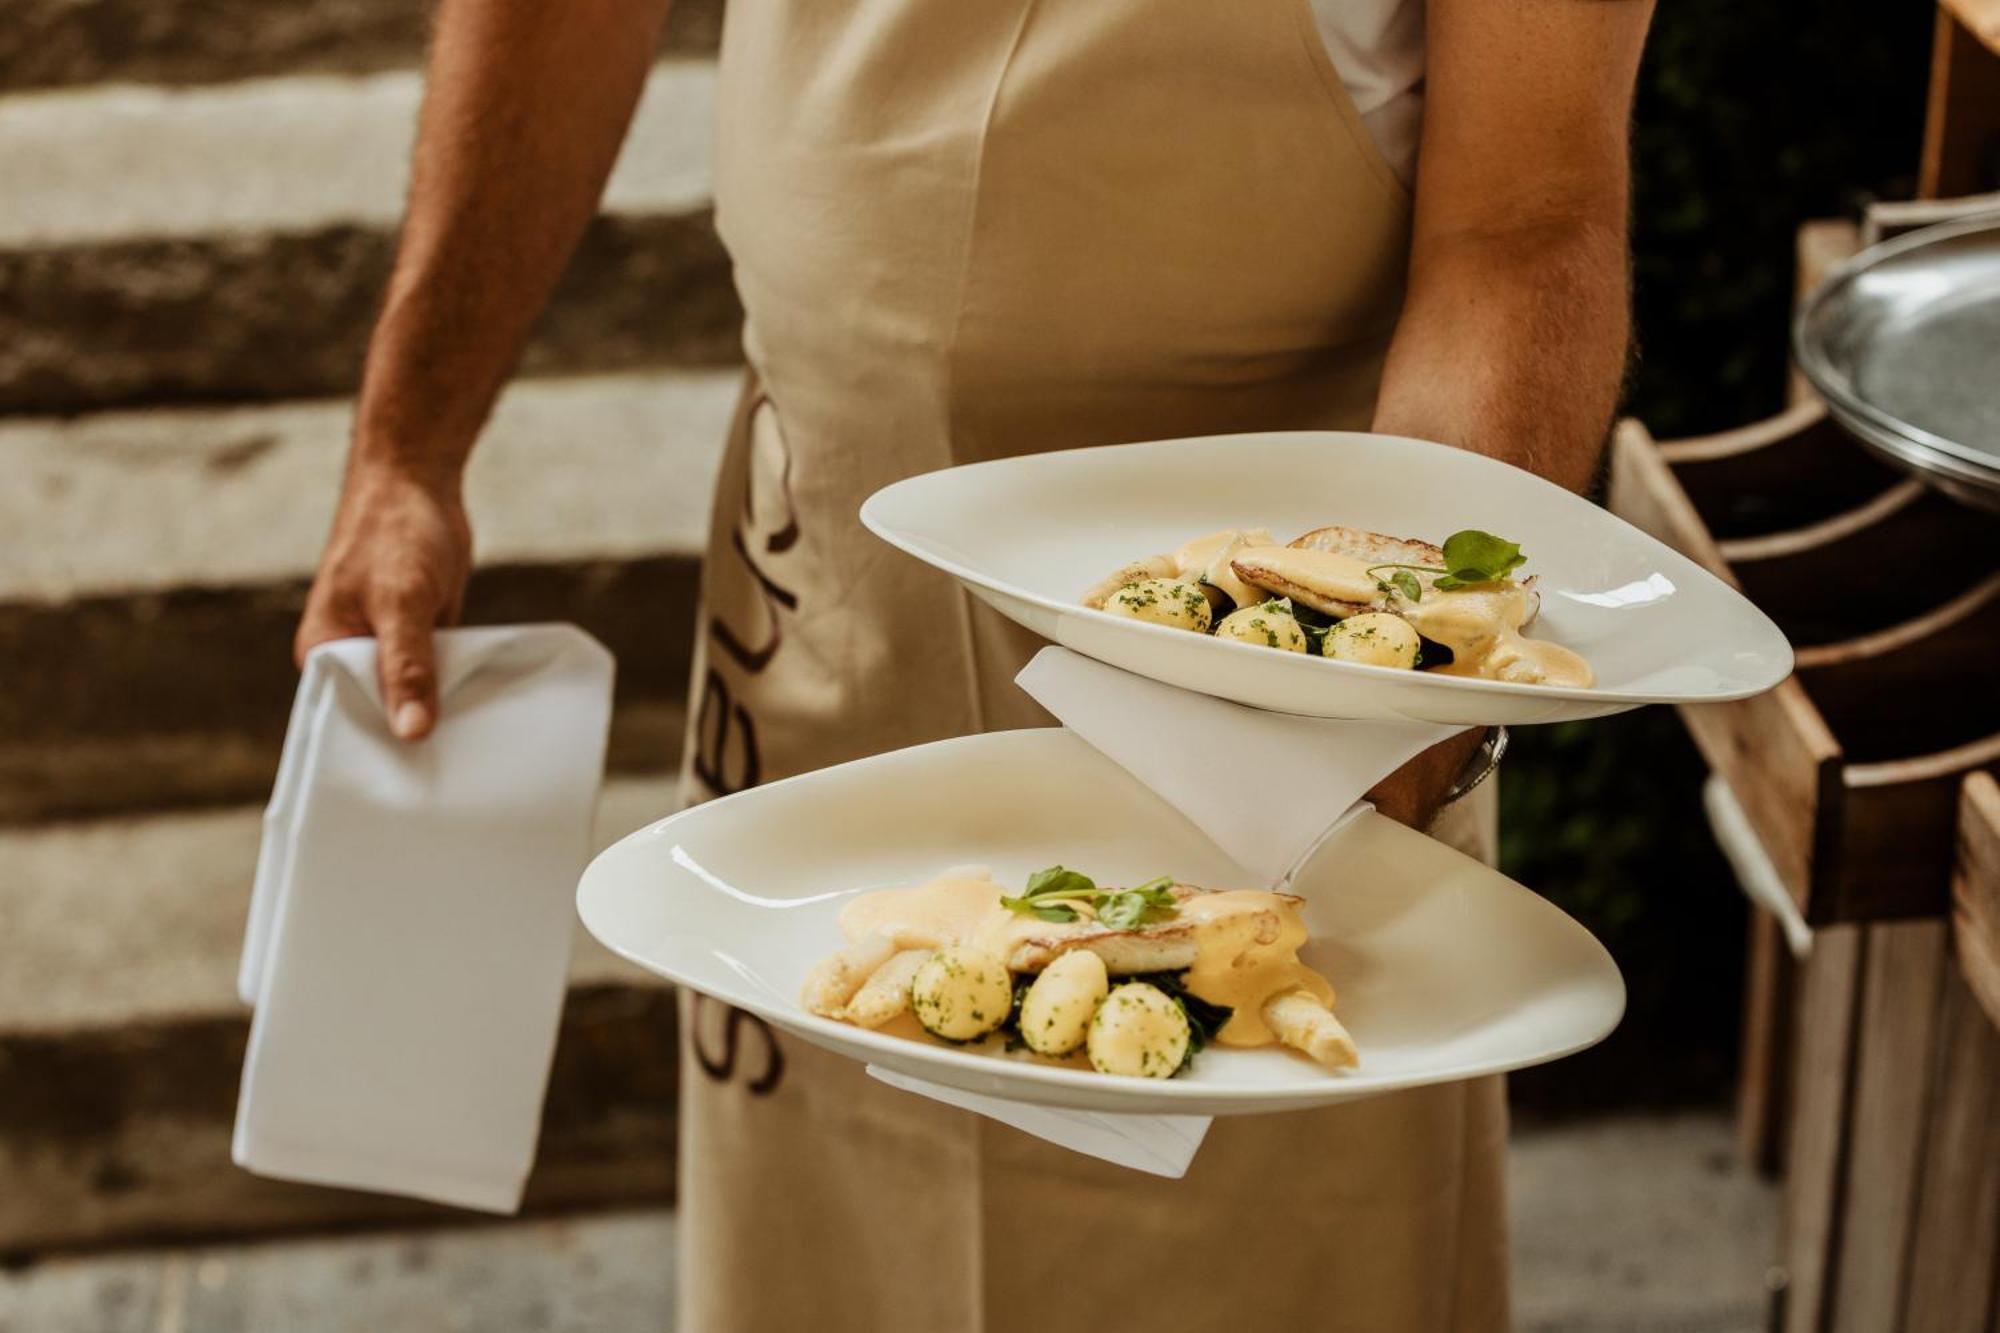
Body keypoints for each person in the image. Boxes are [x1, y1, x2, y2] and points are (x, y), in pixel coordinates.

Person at [296, 1, 1653, 1327]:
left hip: (1272, 714)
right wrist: (408, 443)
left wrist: (1389, 703)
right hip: (827, 619)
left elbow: (1524, 218)